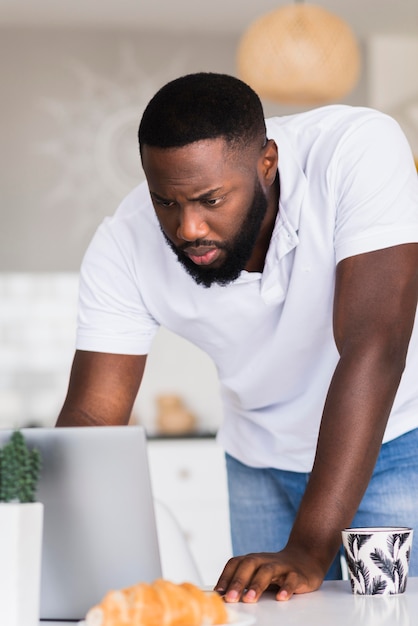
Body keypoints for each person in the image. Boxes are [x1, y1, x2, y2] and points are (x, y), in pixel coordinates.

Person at [56, 72, 418, 603]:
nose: (188, 229)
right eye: (166, 202)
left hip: (394, 442)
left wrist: (310, 545)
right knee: (270, 614)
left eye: (210, 199)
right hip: (258, 459)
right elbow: (91, 419)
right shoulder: (123, 243)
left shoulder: (355, 149)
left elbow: (374, 347)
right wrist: (33, 531)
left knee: (393, 614)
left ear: (266, 164)